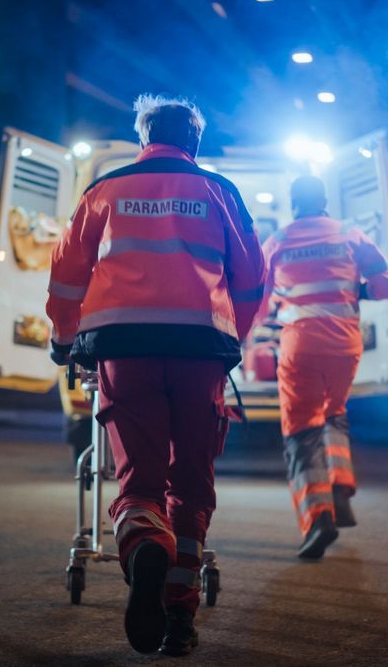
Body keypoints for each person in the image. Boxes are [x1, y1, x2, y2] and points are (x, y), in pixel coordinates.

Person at [46, 95, 266, 656]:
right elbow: (250, 279)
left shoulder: (104, 191)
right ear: (195, 141)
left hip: (125, 347)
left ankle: (144, 543)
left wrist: (65, 339)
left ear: (144, 138)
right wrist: (228, 336)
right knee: (190, 481)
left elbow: (68, 270)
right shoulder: (219, 191)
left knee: (139, 481)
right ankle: (179, 618)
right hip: (200, 350)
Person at [254, 175, 388, 559]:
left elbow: (258, 300)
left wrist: (242, 338)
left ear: (294, 203)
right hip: (345, 348)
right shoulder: (350, 234)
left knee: (302, 429)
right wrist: (355, 291)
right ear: (324, 201)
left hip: (300, 347)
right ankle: (340, 488)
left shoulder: (279, 241)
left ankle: (319, 519)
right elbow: (387, 287)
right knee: (333, 413)